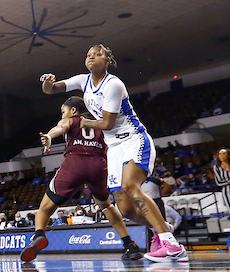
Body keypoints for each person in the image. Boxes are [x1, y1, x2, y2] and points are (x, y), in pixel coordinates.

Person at [39, 44, 187, 261]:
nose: (91, 57)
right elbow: (52, 90)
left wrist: (81, 122)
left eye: (97, 54)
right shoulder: (83, 80)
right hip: (114, 149)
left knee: (130, 186)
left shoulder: (114, 84)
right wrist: (48, 83)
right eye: (88, 54)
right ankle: (162, 229)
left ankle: (171, 245)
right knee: (125, 209)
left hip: (134, 140)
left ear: (108, 60)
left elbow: (107, 123)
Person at [22, 97, 145, 262]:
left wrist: (50, 136)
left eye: (63, 111)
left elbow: (61, 127)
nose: (63, 115)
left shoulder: (72, 120)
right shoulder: (101, 122)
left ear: (73, 110)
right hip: (99, 165)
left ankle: (39, 234)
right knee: (106, 206)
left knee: (44, 209)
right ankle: (130, 245)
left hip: (75, 163)